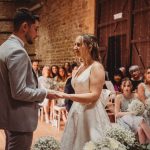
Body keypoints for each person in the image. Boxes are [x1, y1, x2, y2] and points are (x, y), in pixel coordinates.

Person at [0, 8, 58, 150]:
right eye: (36, 29)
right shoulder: (17, 51)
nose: (37, 34)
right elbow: (19, 91)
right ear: (25, 27)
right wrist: (44, 93)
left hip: (10, 118)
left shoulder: (4, 47)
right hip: (19, 121)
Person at [58, 34, 111, 150]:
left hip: (90, 113)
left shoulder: (97, 67)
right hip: (76, 110)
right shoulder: (80, 66)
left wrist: (66, 95)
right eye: (74, 44)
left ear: (89, 47)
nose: (74, 47)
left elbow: (94, 95)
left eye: (78, 44)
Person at [115, 78, 150, 144]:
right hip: (125, 117)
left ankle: (143, 146)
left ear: (131, 86)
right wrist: (130, 113)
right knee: (141, 120)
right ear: (121, 87)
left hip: (135, 116)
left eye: (128, 86)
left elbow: (141, 107)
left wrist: (139, 110)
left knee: (140, 129)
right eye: (124, 86)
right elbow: (117, 114)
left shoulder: (136, 95)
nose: (126, 88)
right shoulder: (119, 97)